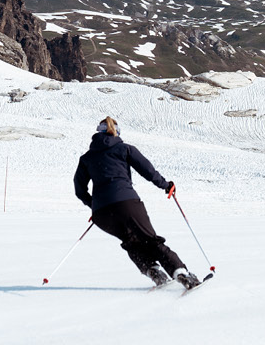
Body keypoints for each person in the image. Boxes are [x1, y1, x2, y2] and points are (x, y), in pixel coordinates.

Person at [74, 116, 201, 290]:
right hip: (127, 204)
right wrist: (166, 186)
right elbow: (147, 170)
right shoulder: (124, 149)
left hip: (101, 215)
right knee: (151, 240)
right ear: (116, 132)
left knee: (131, 243)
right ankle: (181, 273)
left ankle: (153, 271)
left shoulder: (86, 158)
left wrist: (94, 205)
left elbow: (79, 190)